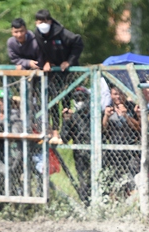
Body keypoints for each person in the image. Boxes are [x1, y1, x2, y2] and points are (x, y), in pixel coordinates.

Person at [33, 9, 84, 143]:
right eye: (39, 22)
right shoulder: (37, 34)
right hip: (51, 72)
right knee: (52, 102)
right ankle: (54, 133)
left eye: (44, 21)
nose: (42, 24)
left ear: (49, 21)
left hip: (67, 72)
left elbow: (78, 42)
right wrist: (46, 62)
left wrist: (69, 61)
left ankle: (66, 133)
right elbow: (40, 51)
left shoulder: (61, 33)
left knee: (66, 103)